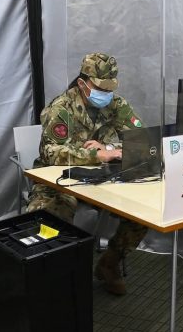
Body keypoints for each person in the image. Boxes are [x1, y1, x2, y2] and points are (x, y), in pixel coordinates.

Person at [26, 52, 148, 296]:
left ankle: (109, 264)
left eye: (110, 88)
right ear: (82, 83)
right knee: (53, 214)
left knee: (142, 211)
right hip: (59, 179)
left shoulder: (116, 105)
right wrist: (96, 155)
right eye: (101, 88)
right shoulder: (61, 108)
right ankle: (56, 280)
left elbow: (142, 141)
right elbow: (51, 153)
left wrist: (109, 148)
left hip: (102, 177)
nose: (107, 94)